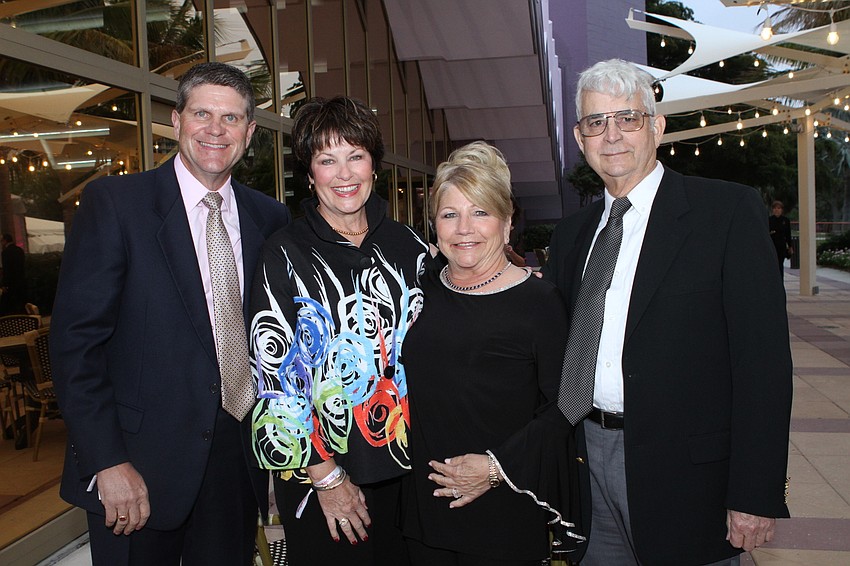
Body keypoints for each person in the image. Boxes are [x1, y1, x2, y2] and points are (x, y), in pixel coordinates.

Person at [543, 59, 793, 566]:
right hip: (586, 461)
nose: (611, 135)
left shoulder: (724, 214)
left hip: (689, 478)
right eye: (596, 122)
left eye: (627, 118)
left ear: (656, 126)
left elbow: (762, 364)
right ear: (580, 136)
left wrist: (754, 492)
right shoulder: (571, 235)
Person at [50, 62, 291, 565]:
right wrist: (107, 461)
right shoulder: (116, 204)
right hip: (137, 467)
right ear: (176, 121)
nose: (215, 130)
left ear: (248, 133)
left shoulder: (269, 218)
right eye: (202, 113)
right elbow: (76, 346)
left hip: (235, 465)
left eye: (230, 119)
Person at [248, 95, 429, 566]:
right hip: (324, 476)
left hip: (410, 469)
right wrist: (326, 477)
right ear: (310, 174)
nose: (344, 173)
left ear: (374, 165)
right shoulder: (283, 254)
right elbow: (274, 384)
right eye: (328, 160)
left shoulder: (407, 244)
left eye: (356, 156)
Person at [400, 141, 583, 565]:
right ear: (435, 226)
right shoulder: (419, 287)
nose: (464, 228)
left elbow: (565, 407)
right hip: (422, 512)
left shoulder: (539, 302)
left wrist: (497, 468)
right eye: (450, 214)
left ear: (506, 224)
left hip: (502, 507)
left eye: (480, 212)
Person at [0, 233, 26, 315]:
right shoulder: (20, 250)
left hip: (11, 283)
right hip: (21, 280)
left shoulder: (6, 252)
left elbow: (7, 269)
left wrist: (4, 284)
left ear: (5, 241)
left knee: (9, 304)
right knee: (20, 302)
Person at [769, 200, 794, 276]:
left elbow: (788, 234)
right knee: (772, 266)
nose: (777, 210)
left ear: (782, 210)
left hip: (781, 246)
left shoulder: (785, 221)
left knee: (780, 265)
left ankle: (781, 284)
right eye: (775, 208)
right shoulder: (769, 220)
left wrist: (790, 246)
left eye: (779, 208)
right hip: (772, 246)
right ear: (772, 210)